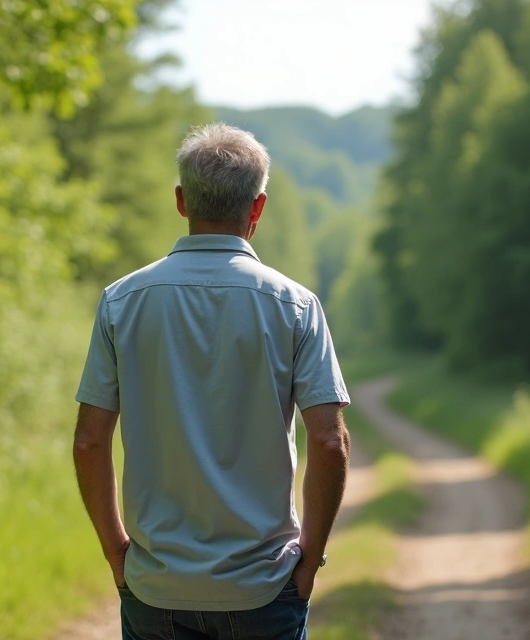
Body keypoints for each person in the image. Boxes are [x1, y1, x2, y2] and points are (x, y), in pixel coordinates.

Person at [72, 122, 351, 639]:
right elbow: (330, 441)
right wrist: (309, 563)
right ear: (258, 208)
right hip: (263, 588)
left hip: (155, 589)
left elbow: (90, 440)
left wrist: (117, 553)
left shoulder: (122, 301)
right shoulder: (297, 306)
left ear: (181, 200)